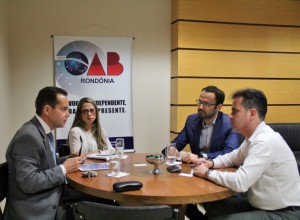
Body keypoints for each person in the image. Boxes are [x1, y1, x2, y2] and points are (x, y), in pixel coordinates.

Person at [193, 88, 300, 220]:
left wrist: (207, 173)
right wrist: (211, 163)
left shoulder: (264, 141)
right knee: (215, 208)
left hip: (284, 212)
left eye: (235, 111)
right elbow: (233, 157)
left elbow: (240, 183)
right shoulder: (253, 137)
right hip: (259, 204)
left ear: (252, 114)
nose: (229, 115)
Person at [5, 86, 86, 219]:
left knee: (95, 200)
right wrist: (64, 168)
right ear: (47, 110)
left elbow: (45, 164)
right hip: (35, 209)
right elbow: (28, 182)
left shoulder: (43, 131)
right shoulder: (29, 136)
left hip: (49, 195)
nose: (68, 114)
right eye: (64, 109)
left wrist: (68, 159)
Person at [162, 85, 239, 163]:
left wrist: (201, 156)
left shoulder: (229, 123)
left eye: (206, 104)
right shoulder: (192, 120)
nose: (201, 107)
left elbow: (230, 153)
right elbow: (177, 144)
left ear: (218, 107)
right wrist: (170, 150)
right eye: (200, 102)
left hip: (220, 169)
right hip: (197, 169)